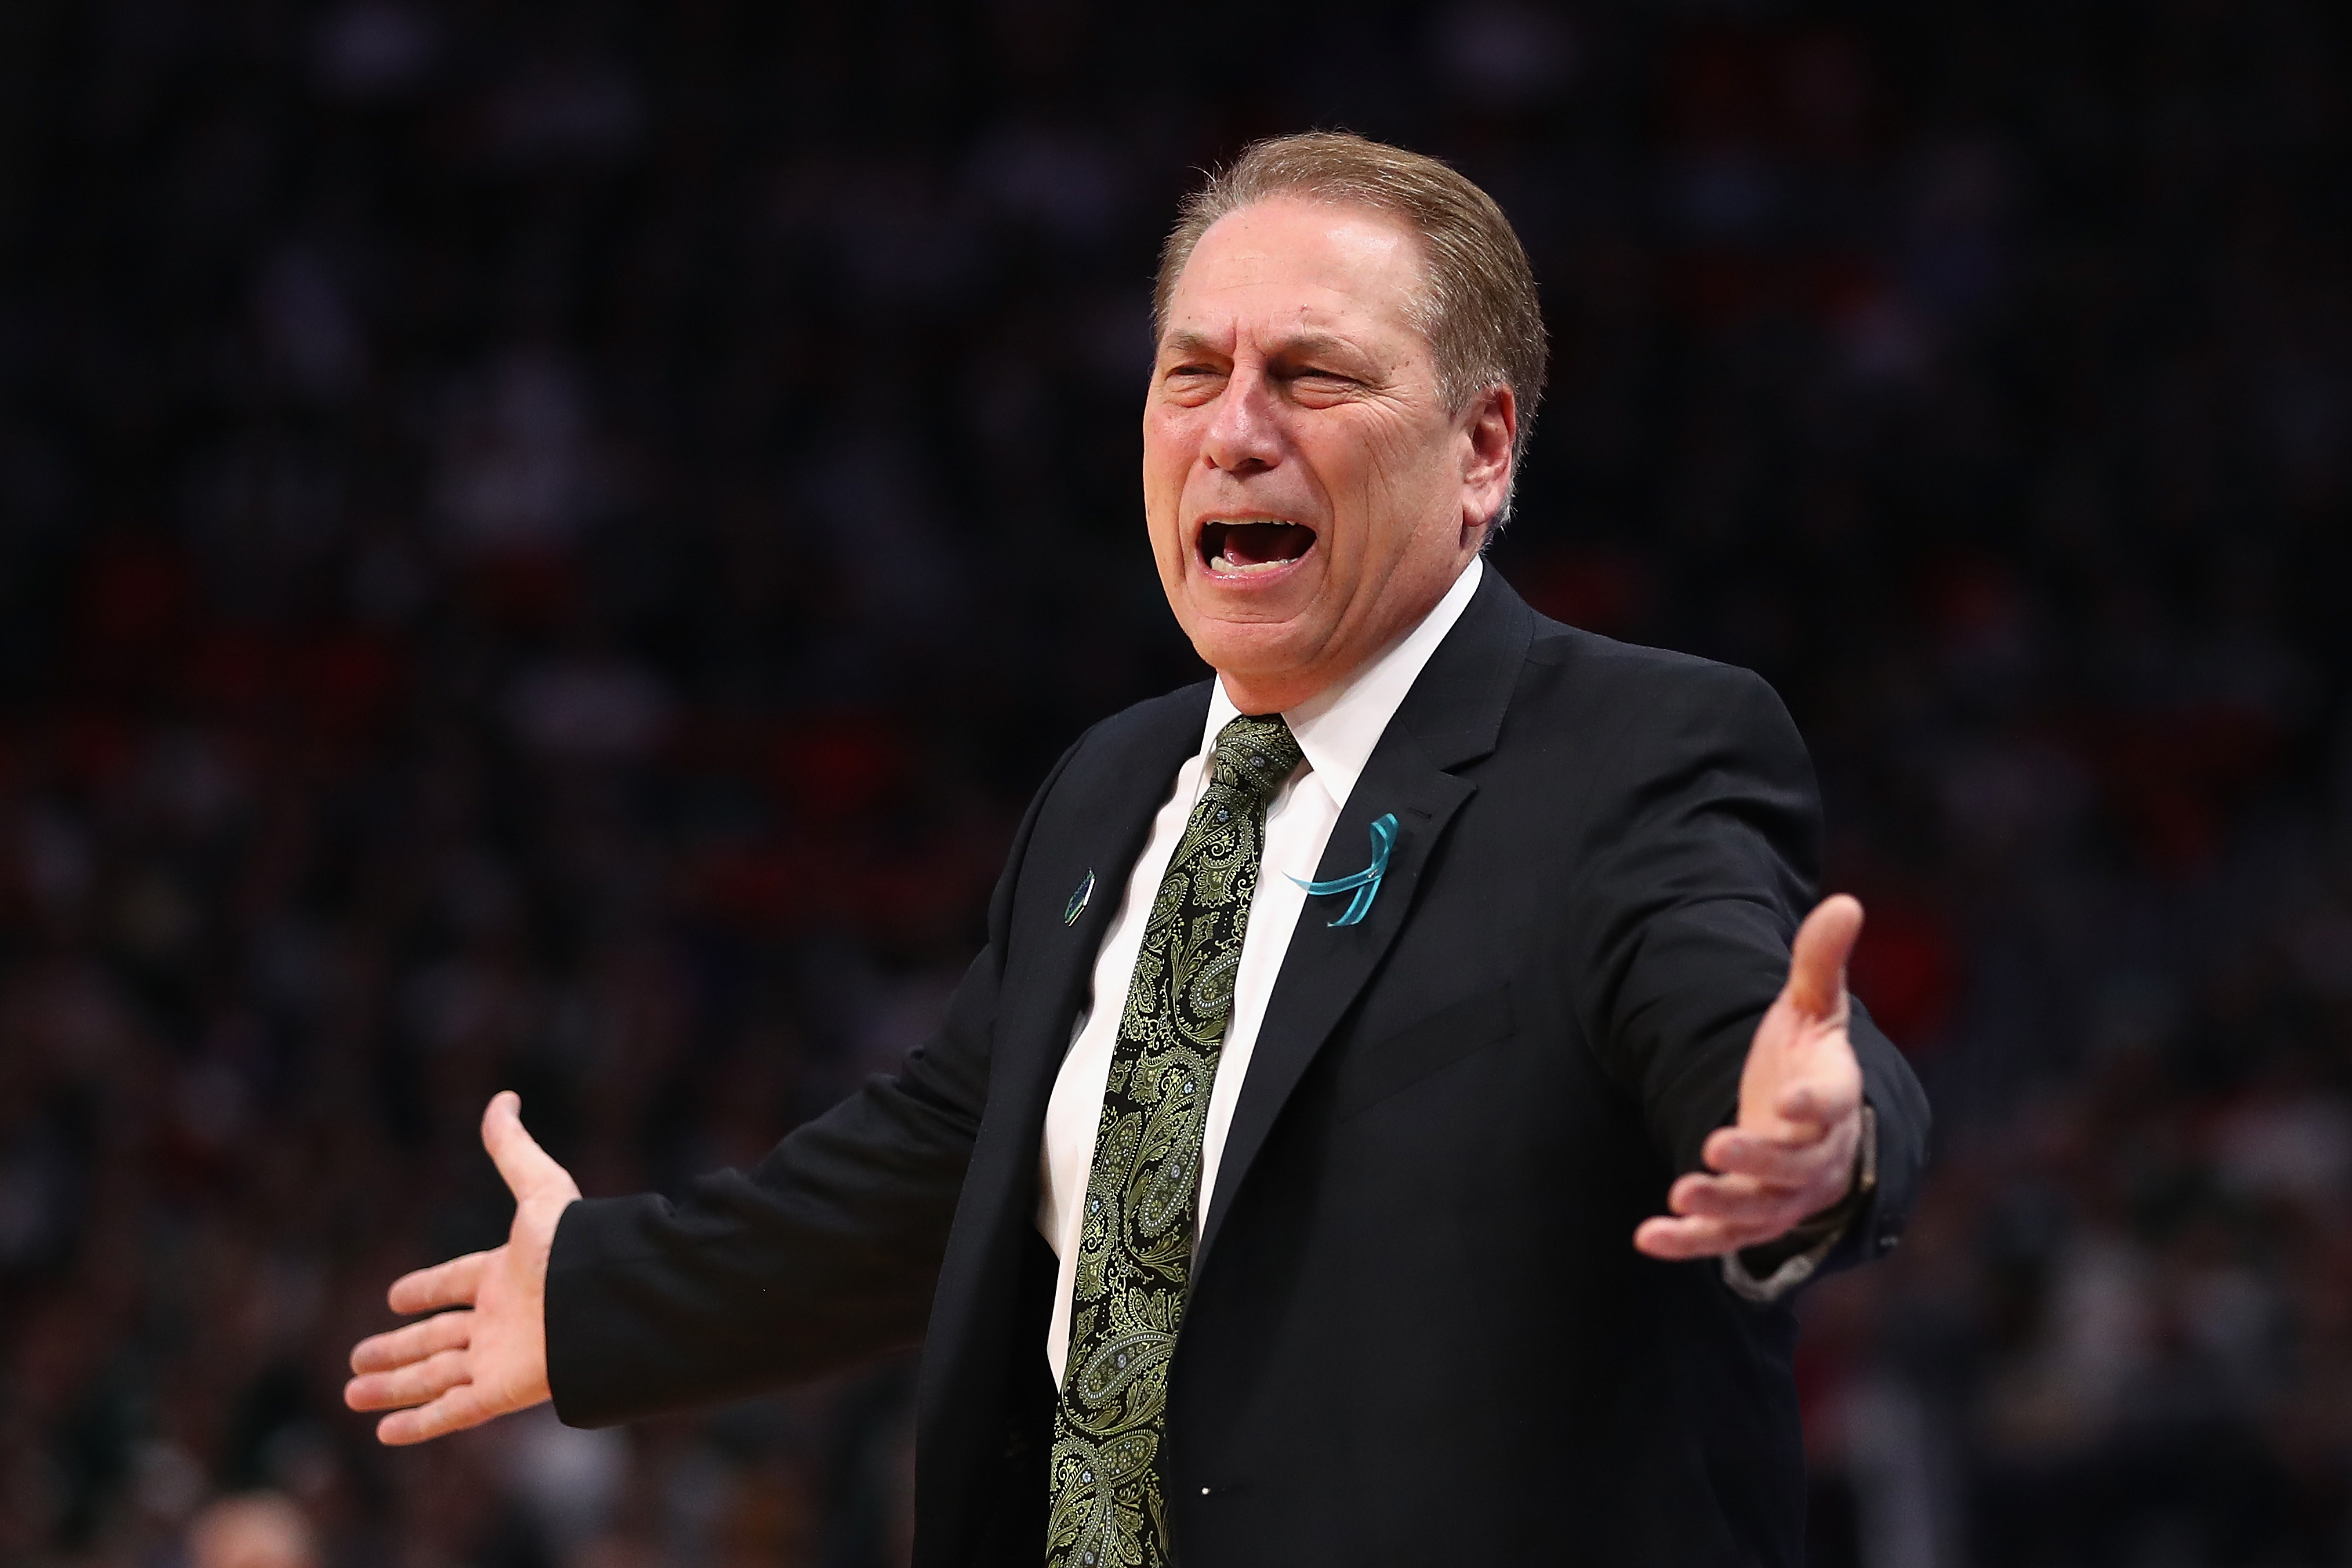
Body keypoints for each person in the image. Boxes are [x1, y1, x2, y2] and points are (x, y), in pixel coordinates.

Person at [345, 133, 1929, 1567]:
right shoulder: (1113, 787)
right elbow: (943, 1164)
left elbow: (1734, 994)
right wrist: (600, 1293)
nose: (1236, 429)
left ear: (1484, 448)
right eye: (1193, 372)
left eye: (1313, 373)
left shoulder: (1632, 751)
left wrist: (1807, 1129)